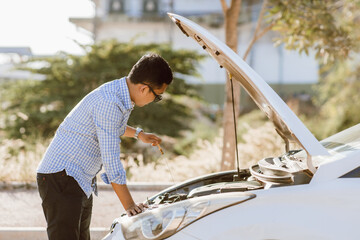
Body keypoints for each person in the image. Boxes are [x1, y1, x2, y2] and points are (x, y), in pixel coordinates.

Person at [36, 53, 173, 240]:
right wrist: (130, 206)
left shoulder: (118, 92)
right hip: (62, 178)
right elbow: (111, 159)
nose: (155, 101)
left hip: (77, 179)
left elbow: (109, 126)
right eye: (157, 97)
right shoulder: (110, 101)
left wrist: (139, 134)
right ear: (143, 89)